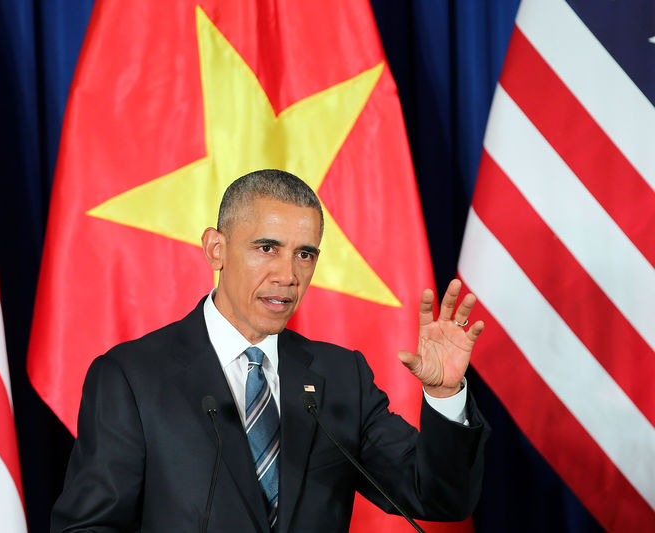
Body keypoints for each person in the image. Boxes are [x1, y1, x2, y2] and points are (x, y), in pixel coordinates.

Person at [51, 169, 490, 533]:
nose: (288, 274)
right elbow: (87, 527)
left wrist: (446, 395)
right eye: (267, 248)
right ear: (216, 249)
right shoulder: (132, 377)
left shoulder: (341, 377)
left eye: (304, 254)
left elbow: (438, 497)